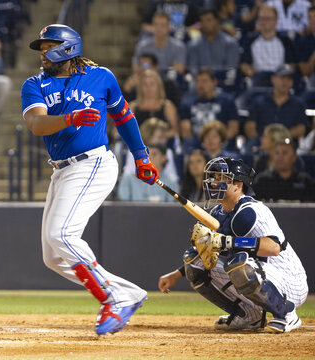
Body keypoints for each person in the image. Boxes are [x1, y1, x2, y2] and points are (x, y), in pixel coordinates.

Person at [21, 24, 159, 335]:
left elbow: (124, 117)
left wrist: (141, 157)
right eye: (41, 47)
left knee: (62, 234)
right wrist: (69, 118)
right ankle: (129, 293)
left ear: (68, 47)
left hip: (94, 163)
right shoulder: (35, 84)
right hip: (62, 170)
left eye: (49, 45)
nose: (43, 52)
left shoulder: (102, 77)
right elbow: (36, 124)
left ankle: (112, 298)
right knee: (53, 257)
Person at [158, 156, 308, 333]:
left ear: (238, 185)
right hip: (259, 274)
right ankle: (249, 315)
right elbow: (209, 250)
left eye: (221, 178)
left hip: (289, 281)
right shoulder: (218, 212)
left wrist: (226, 241)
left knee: (239, 263)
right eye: (213, 177)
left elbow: (273, 247)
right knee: (194, 260)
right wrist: (176, 275)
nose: (213, 182)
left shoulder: (251, 211)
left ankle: (287, 313)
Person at [179, 68, 239, 149]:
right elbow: (185, 131)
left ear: (214, 82)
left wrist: (218, 142)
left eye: (204, 81)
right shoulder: (188, 103)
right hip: (197, 144)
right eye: (198, 81)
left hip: (221, 143)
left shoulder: (227, 101)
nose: (200, 85)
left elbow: (233, 127)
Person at [245, 64, 308, 141]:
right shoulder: (259, 102)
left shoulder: (298, 104)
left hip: (288, 144)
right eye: (282, 78)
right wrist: (261, 142)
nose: (285, 82)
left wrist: (281, 138)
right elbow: (250, 126)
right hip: (261, 143)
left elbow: (301, 128)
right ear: (273, 79)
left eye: (289, 79)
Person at [239, 4, 295, 86]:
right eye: (261, 19)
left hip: (280, 81)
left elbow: (292, 64)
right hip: (258, 80)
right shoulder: (250, 40)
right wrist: (252, 73)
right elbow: (244, 64)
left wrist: (282, 77)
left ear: (276, 20)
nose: (263, 22)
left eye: (267, 19)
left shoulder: (285, 40)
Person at [186, 9, 240, 75]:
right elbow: (193, 70)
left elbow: (231, 69)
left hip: (224, 83)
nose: (205, 24)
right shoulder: (193, 45)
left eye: (208, 20)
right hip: (201, 82)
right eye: (202, 21)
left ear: (217, 21)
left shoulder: (230, 43)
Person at [130, 68, 179, 139]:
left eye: (152, 84)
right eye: (145, 85)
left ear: (158, 86)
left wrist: (157, 137)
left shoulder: (167, 106)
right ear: (140, 87)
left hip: (162, 143)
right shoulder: (133, 106)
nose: (149, 88)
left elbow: (175, 130)